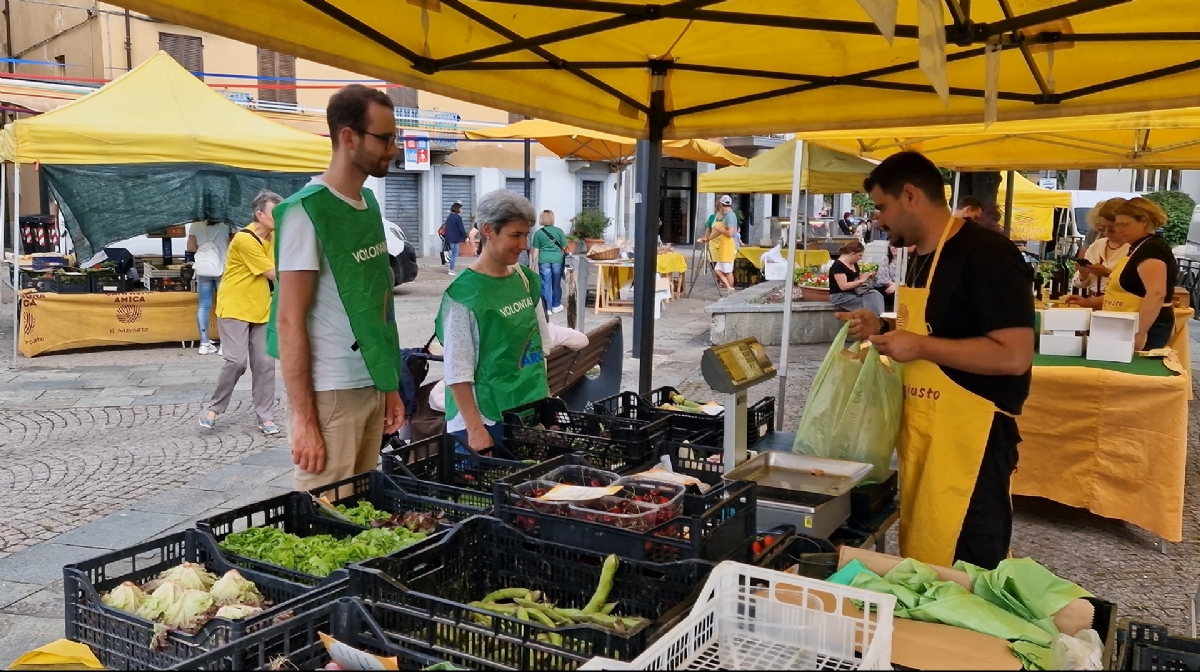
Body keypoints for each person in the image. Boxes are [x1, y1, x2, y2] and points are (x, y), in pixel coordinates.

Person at [839, 150, 1035, 571]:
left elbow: (1015, 357)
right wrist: (884, 329)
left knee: (969, 568)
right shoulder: (920, 256)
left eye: (881, 206)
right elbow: (939, 330)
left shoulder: (988, 253)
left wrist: (922, 347)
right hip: (925, 434)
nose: (878, 219)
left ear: (910, 194)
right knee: (926, 557)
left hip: (973, 443)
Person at [268, 84, 406, 491]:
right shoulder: (304, 213)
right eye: (384, 138)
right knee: (324, 519)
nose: (393, 148)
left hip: (370, 385)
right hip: (330, 393)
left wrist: (390, 387)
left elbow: (378, 305)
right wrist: (305, 421)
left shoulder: (368, 204)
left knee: (361, 512)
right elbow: (290, 321)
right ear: (348, 137)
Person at [436, 189, 551, 452]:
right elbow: (458, 370)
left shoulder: (525, 279)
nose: (524, 245)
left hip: (524, 408)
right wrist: (475, 430)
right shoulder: (464, 294)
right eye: (515, 235)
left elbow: (542, 343)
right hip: (483, 420)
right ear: (488, 230)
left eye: (526, 235)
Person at [200, 190, 281, 435]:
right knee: (236, 361)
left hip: (262, 308)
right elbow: (274, 273)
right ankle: (215, 407)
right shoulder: (245, 240)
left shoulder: (277, 236)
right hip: (235, 306)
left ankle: (265, 416)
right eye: (276, 214)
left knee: (266, 363)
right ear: (260, 215)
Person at [1066, 197, 1178, 350]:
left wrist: (1140, 332)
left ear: (1144, 222)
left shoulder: (1152, 249)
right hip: (1129, 322)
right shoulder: (1137, 247)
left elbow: (1156, 293)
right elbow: (1128, 294)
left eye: (1124, 225)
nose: (1118, 230)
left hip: (1150, 326)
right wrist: (1090, 302)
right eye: (1117, 225)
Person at [428, 322, 589, 414]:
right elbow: (582, 340)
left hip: (500, 403)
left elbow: (436, 397)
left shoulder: (497, 339)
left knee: (434, 396)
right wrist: (550, 329)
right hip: (537, 395)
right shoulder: (544, 333)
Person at [187, 220, 232, 355]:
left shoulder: (195, 225)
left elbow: (190, 247)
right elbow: (233, 245)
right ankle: (224, 345)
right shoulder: (227, 224)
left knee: (203, 306)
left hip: (203, 267)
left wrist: (204, 248)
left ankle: (204, 344)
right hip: (222, 267)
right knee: (224, 306)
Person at [1071, 199, 1128, 296]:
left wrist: (1108, 273)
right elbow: (1080, 284)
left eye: (1111, 229)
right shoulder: (1097, 245)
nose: (1106, 232)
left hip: (1120, 304)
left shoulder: (1133, 248)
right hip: (1094, 299)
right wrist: (1083, 275)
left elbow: (1136, 283)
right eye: (1102, 228)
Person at [828, 240, 885, 316]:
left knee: (875, 294)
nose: (861, 258)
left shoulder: (854, 264)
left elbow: (854, 278)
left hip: (855, 293)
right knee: (870, 303)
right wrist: (862, 280)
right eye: (860, 255)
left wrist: (866, 276)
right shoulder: (838, 266)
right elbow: (843, 286)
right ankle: (876, 319)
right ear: (852, 254)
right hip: (841, 296)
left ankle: (878, 318)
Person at [530, 210, 568, 316]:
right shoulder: (559, 231)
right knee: (556, 283)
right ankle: (556, 306)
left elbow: (536, 250)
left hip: (544, 260)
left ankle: (548, 308)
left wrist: (533, 263)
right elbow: (565, 247)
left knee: (545, 283)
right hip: (557, 260)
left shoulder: (538, 233)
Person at [699, 195, 737, 290]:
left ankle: (730, 290)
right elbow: (719, 232)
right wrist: (708, 238)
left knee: (728, 271)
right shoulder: (726, 215)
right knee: (717, 270)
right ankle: (728, 287)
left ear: (721, 204)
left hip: (727, 247)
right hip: (722, 246)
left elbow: (730, 233)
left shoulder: (730, 216)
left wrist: (718, 228)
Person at [874, 243, 907, 313]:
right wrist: (894, 285)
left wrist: (896, 286)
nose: (893, 248)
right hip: (885, 287)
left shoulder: (907, 260)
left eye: (896, 246)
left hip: (900, 287)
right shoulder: (886, 259)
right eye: (892, 246)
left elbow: (907, 278)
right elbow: (883, 278)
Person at [443, 201, 467, 275]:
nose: (462, 210)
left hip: (449, 238)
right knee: (454, 254)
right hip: (455, 238)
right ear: (458, 209)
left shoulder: (449, 217)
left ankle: (450, 266)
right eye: (461, 208)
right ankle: (451, 270)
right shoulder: (458, 218)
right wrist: (465, 237)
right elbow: (461, 228)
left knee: (451, 253)